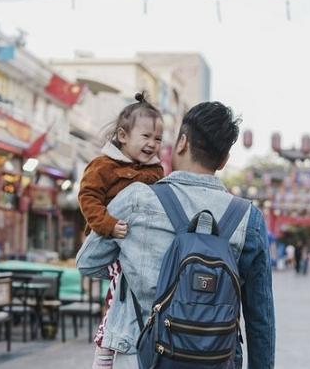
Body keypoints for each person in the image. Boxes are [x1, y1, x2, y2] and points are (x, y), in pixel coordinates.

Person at [76, 101, 275, 369]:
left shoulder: (135, 198)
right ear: (224, 160)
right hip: (215, 360)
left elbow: (88, 262)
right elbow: (260, 318)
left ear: (181, 142)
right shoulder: (249, 218)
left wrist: (132, 260)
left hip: (139, 356)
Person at [77, 92, 165, 369]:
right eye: (146, 136)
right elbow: (88, 197)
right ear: (123, 136)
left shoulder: (156, 172)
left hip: (140, 247)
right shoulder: (103, 166)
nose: (152, 144)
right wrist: (107, 225)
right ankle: (104, 351)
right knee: (117, 304)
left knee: (133, 307)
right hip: (112, 242)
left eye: (158, 139)